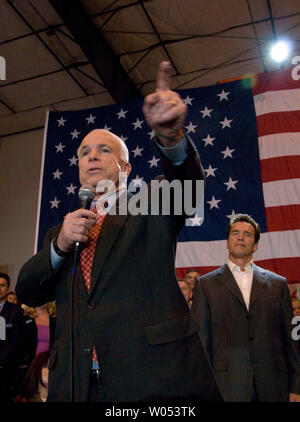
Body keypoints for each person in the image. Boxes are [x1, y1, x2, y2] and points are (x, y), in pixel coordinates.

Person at [16, 61, 221, 402]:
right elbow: (27, 291)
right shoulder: (60, 233)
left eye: (103, 150)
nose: (91, 156)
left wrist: (170, 137)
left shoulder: (151, 202)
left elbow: (188, 188)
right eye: (83, 153)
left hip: (149, 379)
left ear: (125, 168)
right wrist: (60, 246)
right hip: (78, 385)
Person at [192, 214, 300, 402]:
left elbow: (291, 340)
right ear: (227, 242)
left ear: (256, 245)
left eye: (247, 234)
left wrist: (296, 387)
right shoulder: (205, 285)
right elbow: (201, 341)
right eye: (235, 233)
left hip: (274, 384)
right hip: (226, 385)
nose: (240, 237)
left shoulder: (278, 284)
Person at [0, 273, 23, 401]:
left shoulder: (16, 311)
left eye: (2, 285)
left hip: (6, 368)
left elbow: (15, 343)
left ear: (8, 288)